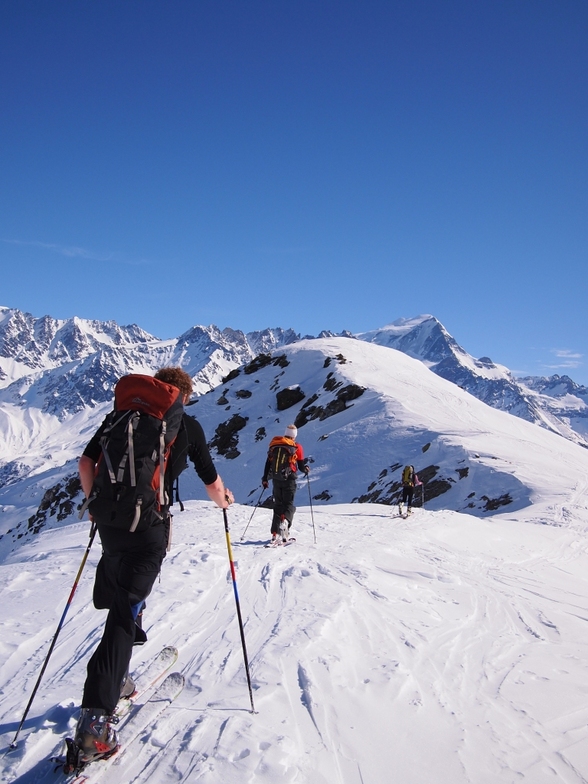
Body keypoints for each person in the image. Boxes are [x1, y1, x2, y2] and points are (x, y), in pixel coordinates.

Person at [72, 367, 233, 766]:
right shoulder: (186, 426)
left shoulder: (120, 417)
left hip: (111, 525)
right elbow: (211, 481)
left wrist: (96, 507)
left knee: (122, 604)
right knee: (125, 613)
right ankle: (95, 721)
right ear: (183, 396)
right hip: (149, 531)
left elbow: (85, 465)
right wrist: (224, 501)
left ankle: (118, 680)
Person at [262, 424, 309, 543]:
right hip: (290, 479)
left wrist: (265, 478)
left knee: (278, 505)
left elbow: (268, 464)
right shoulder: (296, 446)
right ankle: (286, 522)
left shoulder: (275, 445)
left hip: (276, 479)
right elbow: (301, 466)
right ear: (295, 435)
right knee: (289, 505)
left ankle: (274, 534)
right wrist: (306, 469)